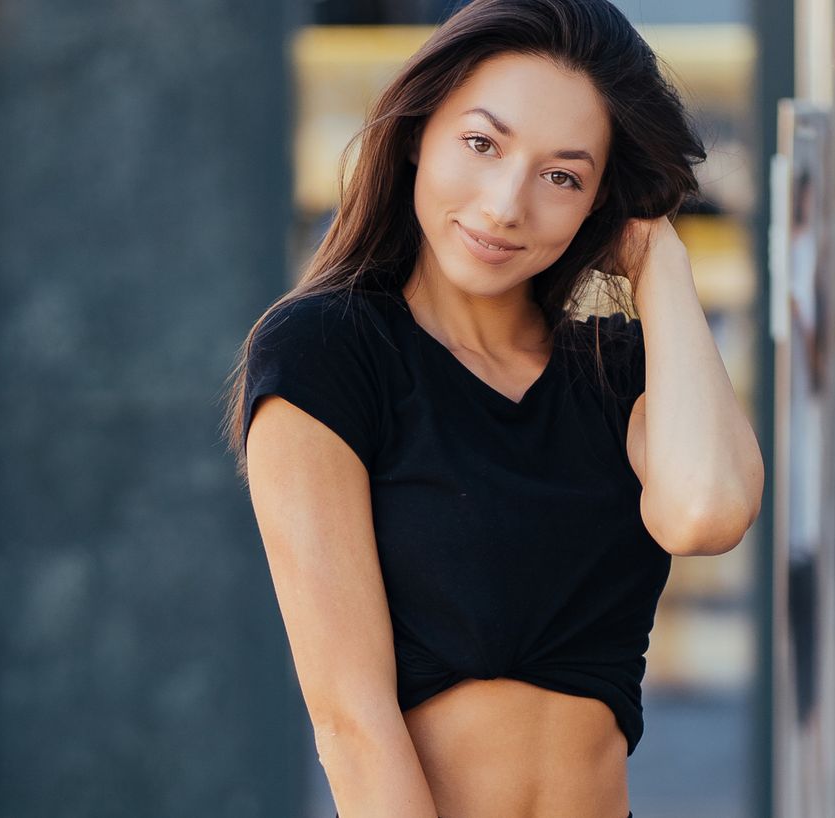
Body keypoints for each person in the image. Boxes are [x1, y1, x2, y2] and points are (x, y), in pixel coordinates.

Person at [221, 1, 764, 815]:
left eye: (563, 176)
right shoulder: (327, 352)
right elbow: (351, 722)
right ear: (418, 134)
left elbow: (706, 513)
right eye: (482, 143)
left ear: (599, 201)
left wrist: (658, 259)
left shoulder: (619, 373)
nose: (508, 204)